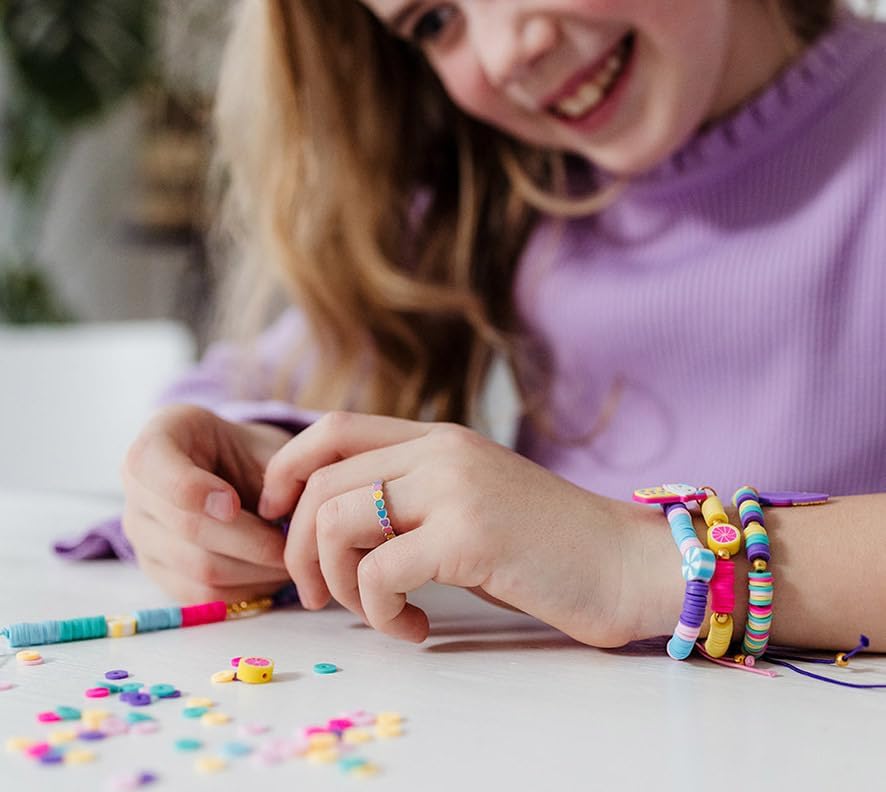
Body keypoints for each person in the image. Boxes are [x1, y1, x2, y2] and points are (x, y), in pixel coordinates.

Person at [63, 0, 886, 655]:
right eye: (435, 20)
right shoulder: (505, 183)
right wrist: (232, 483)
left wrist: (633, 562)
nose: (502, 54)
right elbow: (246, 394)